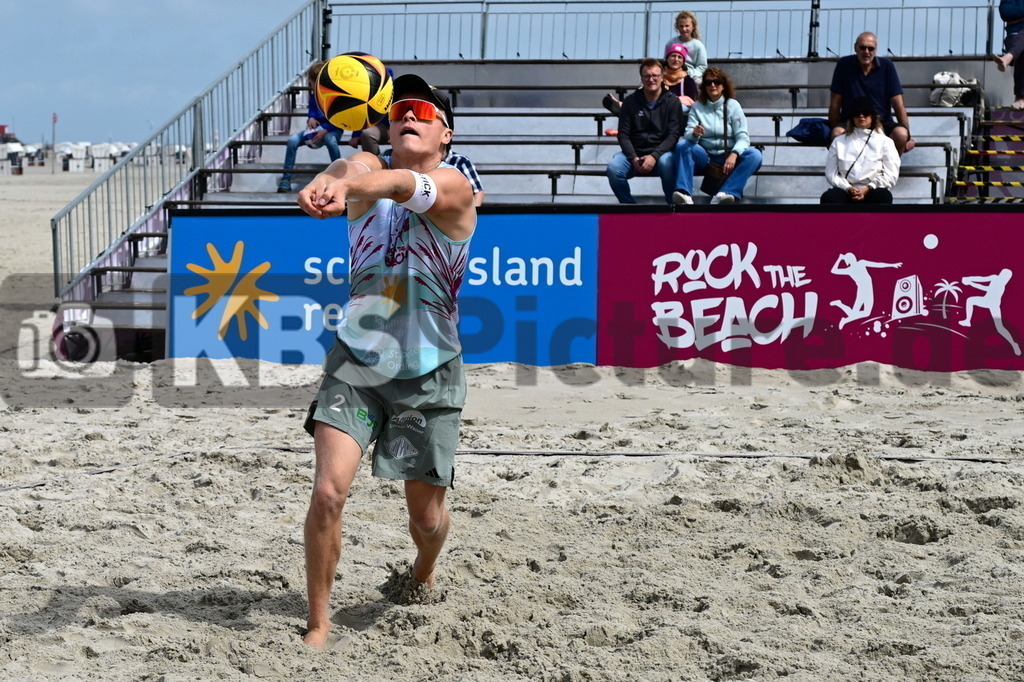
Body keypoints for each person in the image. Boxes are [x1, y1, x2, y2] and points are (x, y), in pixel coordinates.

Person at [295, 74, 476, 648]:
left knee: (426, 520)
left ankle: (423, 570)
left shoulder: (454, 185)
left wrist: (360, 181)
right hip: (356, 364)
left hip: (429, 371)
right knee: (328, 491)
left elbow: (401, 184)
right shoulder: (365, 167)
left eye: (423, 110)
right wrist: (324, 183)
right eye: (399, 109)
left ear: (445, 133)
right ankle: (318, 623)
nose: (408, 115)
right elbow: (350, 171)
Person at [671, 67, 763, 205]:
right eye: (708, 82)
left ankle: (726, 193)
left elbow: (743, 137)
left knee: (755, 155)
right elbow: (688, 134)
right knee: (682, 145)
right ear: (704, 87)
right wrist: (694, 134)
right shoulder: (697, 107)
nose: (713, 85)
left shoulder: (733, 106)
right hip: (705, 157)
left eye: (717, 81)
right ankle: (685, 193)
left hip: (728, 155)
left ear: (724, 85)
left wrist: (734, 154)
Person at [605, 58, 683, 204]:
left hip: (661, 154)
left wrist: (654, 156)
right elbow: (623, 134)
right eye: (646, 76)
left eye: (655, 75)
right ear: (641, 78)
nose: (651, 79)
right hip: (635, 154)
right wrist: (633, 157)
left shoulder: (672, 101)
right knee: (614, 168)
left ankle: (672, 208)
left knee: (669, 163)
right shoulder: (630, 101)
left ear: (662, 77)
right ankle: (630, 207)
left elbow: (673, 135)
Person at [828, 32, 915, 155]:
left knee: (901, 134)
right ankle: (847, 171)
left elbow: (898, 104)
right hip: (851, 121)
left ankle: (890, 171)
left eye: (871, 48)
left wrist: (908, 135)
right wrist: (832, 130)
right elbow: (835, 103)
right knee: (837, 134)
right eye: (862, 47)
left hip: (882, 121)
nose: (866, 52)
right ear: (855, 48)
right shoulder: (844, 65)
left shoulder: (887, 66)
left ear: (876, 49)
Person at [278, 61, 344, 193]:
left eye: (312, 81)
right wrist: (311, 119)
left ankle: (340, 176)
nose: (310, 83)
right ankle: (286, 179)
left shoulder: (335, 98)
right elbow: (311, 114)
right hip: (316, 130)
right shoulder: (313, 97)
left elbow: (339, 119)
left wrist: (325, 130)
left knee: (331, 141)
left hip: (332, 130)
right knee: (292, 141)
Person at [820, 97, 900, 205]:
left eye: (865, 113)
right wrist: (848, 188)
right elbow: (831, 173)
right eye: (857, 113)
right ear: (852, 118)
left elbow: (891, 174)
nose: (861, 116)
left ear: (872, 117)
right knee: (829, 197)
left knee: (883, 196)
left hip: (874, 190)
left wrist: (868, 188)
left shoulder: (886, 142)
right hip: (845, 190)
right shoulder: (838, 142)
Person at [602, 44, 698, 117]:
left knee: (675, 106)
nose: (676, 59)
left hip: (676, 116)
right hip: (655, 108)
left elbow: (690, 101)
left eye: (679, 57)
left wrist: (671, 100)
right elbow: (644, 93)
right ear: (667, 58)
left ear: (683, 61)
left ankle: (628, 111)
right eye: (673, 56)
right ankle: (624, 106)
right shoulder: (657, 76)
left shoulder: (688, 80)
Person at [992, 0, 1024, 110]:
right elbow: (1006, 13)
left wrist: (1017, 17)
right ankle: (1021, 98)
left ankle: (1008, 57)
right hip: (1014, 37)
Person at [663, 10, 708, 81]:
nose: (684, 29)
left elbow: (702, 67)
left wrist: (689, 73)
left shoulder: (698, 45)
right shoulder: (671, 43)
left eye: (687, 26)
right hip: (671, 73)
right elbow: (666, 61)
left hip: (691, 76)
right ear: (677, 27)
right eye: (681, 26)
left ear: (693, 26)